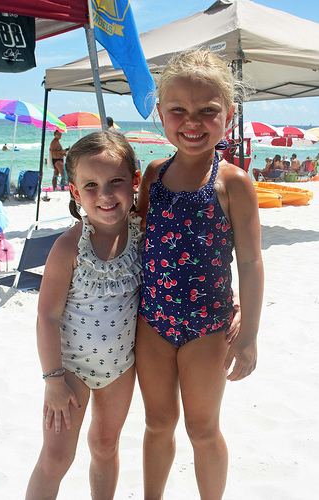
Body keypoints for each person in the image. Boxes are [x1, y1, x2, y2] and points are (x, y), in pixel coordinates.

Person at [135, 49, 264, 500]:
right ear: (161, 114)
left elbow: (249, 262)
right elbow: (135, 239)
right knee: (157, 423)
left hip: (207, 326)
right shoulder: (153, 174)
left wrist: (248, 333)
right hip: (151, 322)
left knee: (203, 428)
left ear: (228, 115)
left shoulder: (234, 183)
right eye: (179, 111)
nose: (193, 122)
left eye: (208, 111)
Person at [25, 131, 142, 500]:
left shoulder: (145, 233)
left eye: (116, 181)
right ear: (75, 193)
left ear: (134, 182)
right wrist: (53, 380)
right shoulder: (67, 247)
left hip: (120, 368)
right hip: (69, 370)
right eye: (91, 185)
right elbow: (47, 317)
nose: (105, 195)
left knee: (106, 447)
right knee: (57, 457)